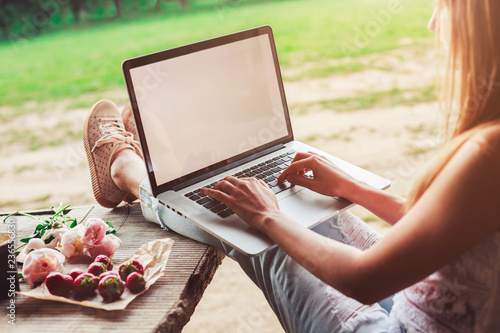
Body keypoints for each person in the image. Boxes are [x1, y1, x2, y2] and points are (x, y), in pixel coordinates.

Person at [83, 0, 500, 331]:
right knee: (320, 217)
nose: (432, 23)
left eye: (444, 5)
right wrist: (353, 189)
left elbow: (365, 281)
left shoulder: (488, 153)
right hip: (433, 304)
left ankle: (131, 171)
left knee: (261, 239)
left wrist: (267, 217)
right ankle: (167, 169)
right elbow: (447, 223)